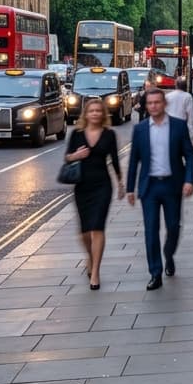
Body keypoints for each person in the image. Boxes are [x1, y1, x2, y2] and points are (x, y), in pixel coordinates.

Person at [126, 88, 193, 290]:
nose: (154, 106)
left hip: (172, 184)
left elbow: (189, 156)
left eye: (157, 102)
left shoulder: (178, 126)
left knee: (174, 226)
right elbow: (134, 161)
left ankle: (168, 254)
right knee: (151, 230)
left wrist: (189, 180)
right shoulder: (140, 130)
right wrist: (130, 188)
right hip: (149, 187)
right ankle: (155, 273)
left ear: (164, 104)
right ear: (146, 106)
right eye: (150, 103)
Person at [63, 97, 124, 290]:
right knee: (84, 231)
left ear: (103, 113)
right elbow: (67, 157)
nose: (95, 113)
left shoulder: (109, 134)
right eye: (92, 111)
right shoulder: (77, 134)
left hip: (102, 186)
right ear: (86, 114)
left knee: (97, 227)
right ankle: (90, 257)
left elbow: (114, 159)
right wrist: (75, 156)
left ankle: (95, 271)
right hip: (82, 186)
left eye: (99, 110)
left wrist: (120, 182)